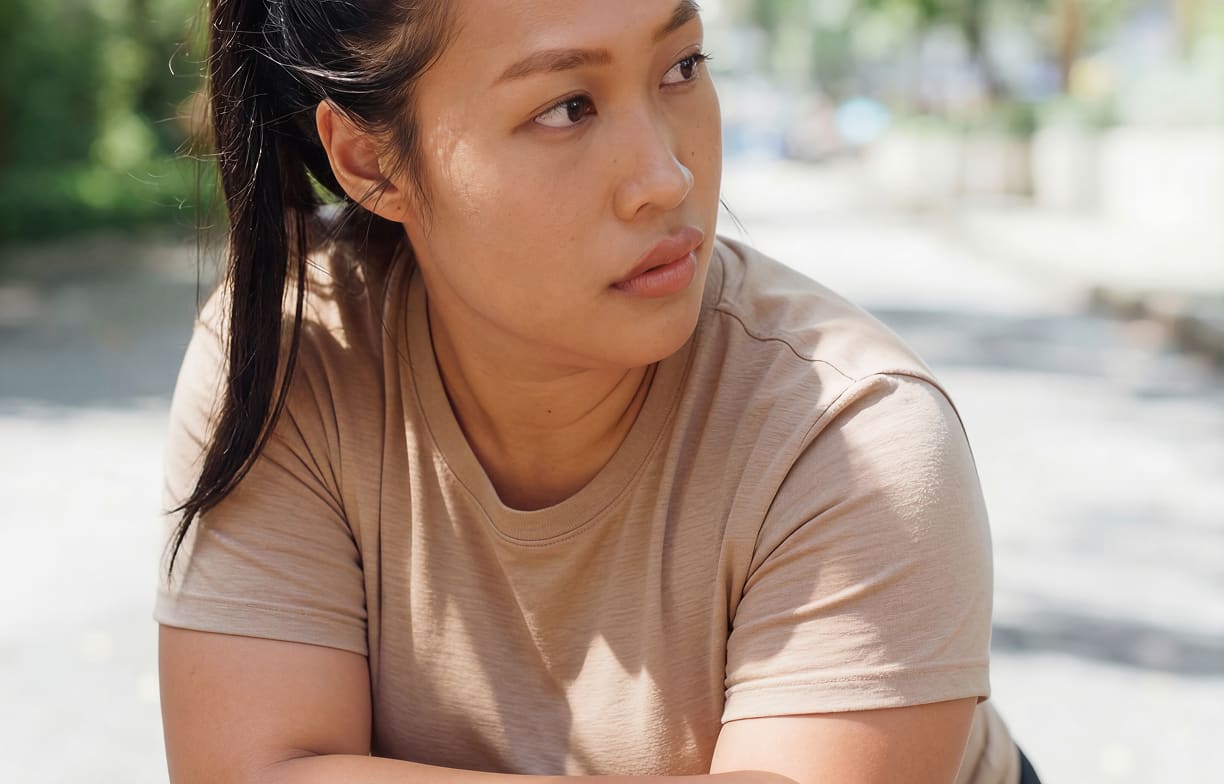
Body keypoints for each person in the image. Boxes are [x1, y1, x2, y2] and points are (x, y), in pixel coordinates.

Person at [155, 1, 1041, 782]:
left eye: (682, 66)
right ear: (369, 160)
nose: (667, 177)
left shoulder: (854, 437)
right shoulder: (296, 356)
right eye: (566, 108)